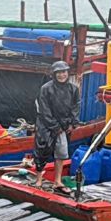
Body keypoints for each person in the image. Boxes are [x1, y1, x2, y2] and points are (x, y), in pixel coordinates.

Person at [33, 61, 80, 191]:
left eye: (63, 72)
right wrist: (55, 126)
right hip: (46, 125)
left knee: (61, 153)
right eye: (58, 73)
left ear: (67, 73)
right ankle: (38, 180)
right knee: (41, 151)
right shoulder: (46, 88)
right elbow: (44, 110)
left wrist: (72, 123)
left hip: (64, 125)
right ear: (54, 74)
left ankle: (57, 180)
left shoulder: (73, 89)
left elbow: (76, 107)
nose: (61, 75)